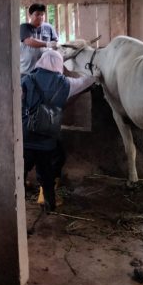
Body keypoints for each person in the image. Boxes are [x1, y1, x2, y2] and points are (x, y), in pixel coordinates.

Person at [22, 50, 96, 212]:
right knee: (46, 173)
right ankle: (49, 204)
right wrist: (97, 72)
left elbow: (10, 99)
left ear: (41, 62)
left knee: (20, 171)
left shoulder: (27, 79)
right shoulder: (66, 83)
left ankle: (15, 203)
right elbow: (86, 81)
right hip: (47, 139)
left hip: (26, 136)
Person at [20, 3, 59, 76]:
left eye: (42, 15)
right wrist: (47, 44)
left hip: (45, 71)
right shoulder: (24, 27)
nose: (40, 17)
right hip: (27, 71)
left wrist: (54, 45)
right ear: (30, 15)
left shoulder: (49, 28)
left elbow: (55, 42)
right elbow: (29, 41)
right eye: (37, 14)